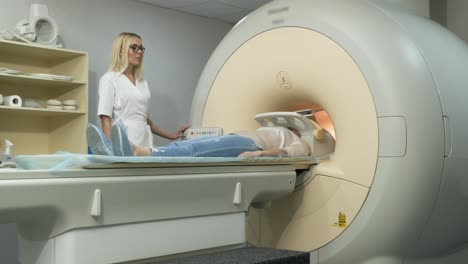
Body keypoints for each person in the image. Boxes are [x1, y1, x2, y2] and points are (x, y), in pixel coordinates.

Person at [97, 32, 188, 153]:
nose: (139, 52)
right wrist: (111, 149)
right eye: (134, 47)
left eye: (141, 48)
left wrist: (170, 136)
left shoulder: (142, 83)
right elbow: (105, 118)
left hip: (144, 139)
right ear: (120, 51)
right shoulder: (110, 79)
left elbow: (145, 120)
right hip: (124, 139)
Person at [86, 122, 310, 158]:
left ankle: (135, 152)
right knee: (181, 145)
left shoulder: (303, 143)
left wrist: (259, 154)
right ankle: (114, 151)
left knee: (194, 148)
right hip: (238, 138)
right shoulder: (279, 128)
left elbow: (285, 154)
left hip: (250, 145)